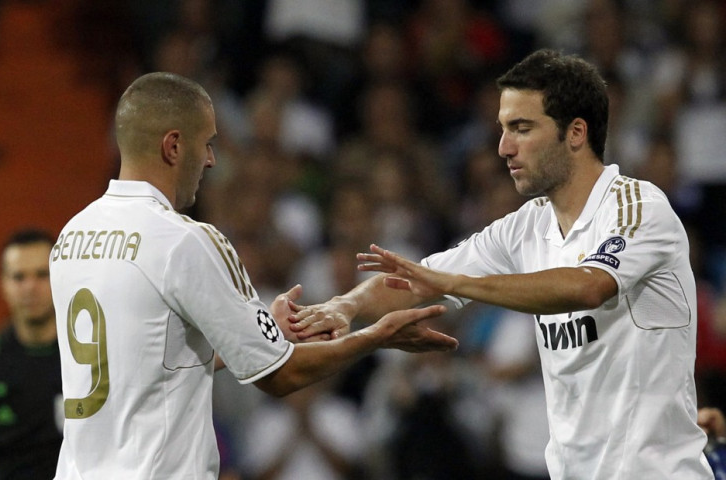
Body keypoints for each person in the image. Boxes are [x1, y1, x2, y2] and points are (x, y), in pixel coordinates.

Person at [290, 49, 714, 479]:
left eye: (521, 128)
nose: (503, 147)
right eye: (503, 129)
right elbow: (414, 281)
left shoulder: (638, 206)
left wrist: (458, 282)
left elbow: (589, 286)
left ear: (576, 133)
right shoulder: (524, 227)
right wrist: (345, 306)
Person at [48, 71, 457, 479]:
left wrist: (262, 335)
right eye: (206, 144)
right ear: (173, 146)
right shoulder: (185, 240)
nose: (210, 159)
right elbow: (281, 376)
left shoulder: (70, 238)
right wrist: (379, 335)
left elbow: (149, 368)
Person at [0, 229, 62, 479]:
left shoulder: (88, 359)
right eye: (19, 277)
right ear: (3, 284)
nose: (30, 287)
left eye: (42, 275)